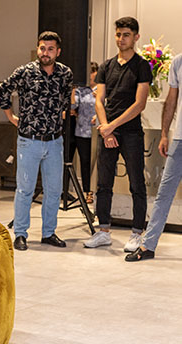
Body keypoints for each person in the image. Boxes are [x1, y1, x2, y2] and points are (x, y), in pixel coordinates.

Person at [0, 31, 73, 251]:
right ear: (37, 49)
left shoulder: (65, 73)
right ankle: (21, 233)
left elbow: (66, 100)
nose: (45, 53)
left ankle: (48, 233)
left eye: (50, 49)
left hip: (54, 141)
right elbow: (3, 88)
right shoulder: (24, 72)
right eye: (42, 48)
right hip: (29, 141)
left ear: (58, 52)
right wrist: (10, 116)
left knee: (54, 190)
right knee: (25, 189)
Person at [84, 17, 151, 252]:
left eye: (126, 35)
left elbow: (139, 104)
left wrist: (110, 126)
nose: (121, 39)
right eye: (118, 34)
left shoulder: (142, 66)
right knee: (103, 184)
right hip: (108, 132)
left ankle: (137, 233)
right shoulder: (106, 66)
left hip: (131, 133)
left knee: (136, 183)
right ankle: (103, 231)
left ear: (136, 37)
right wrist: (106, 129)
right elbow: (99, 100)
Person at [126, 53, 182, 262]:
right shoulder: (178, 62)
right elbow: (171, 100)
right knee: (164, 193)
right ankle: (148, 246)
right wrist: (165, 134)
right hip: (180, 140)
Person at [68, 61, 99, 204]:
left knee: (96, 163)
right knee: (84, 162)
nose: (90, 76)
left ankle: (96, 190)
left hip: (98, 131)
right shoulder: (81, 90)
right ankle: (87, 192)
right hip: (82, 131)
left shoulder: (102, 89)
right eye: (88, 73)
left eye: (92, 72)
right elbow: (73, 106)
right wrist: (73, 89)